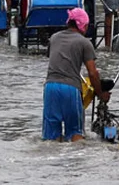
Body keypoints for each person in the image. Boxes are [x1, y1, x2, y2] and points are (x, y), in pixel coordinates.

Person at [42, 8, 108, 142]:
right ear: (82, 25)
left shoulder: (54, 38)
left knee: (51, 137)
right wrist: (100, 93)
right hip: (71, 89)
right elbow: (93, 73)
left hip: (50, 87)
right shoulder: (84, 42)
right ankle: (76, 161)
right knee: (75, 134)